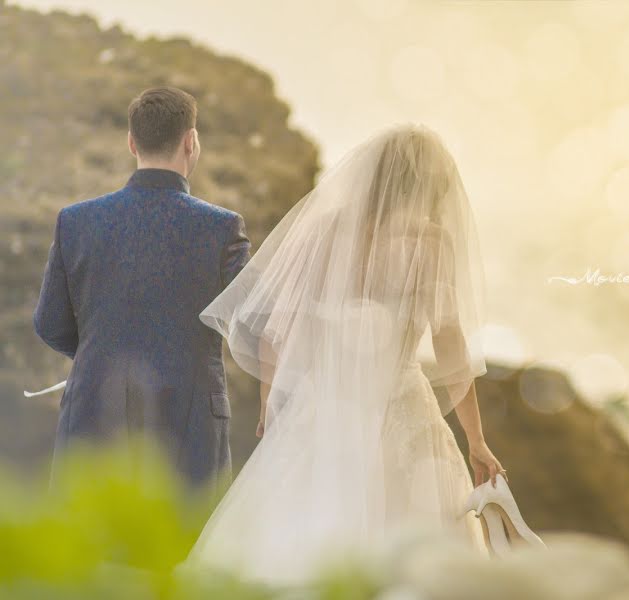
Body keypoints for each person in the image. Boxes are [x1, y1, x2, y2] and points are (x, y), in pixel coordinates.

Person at [186, 123, 503, 584]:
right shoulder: (432, 242)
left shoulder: (329, 229)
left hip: (323, 405)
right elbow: (449, 338)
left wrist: (270, 401)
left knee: (298, 523)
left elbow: (280, 327)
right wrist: (475, 438)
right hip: (402, 401)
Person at [32, 86, 251, 495]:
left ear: (131, 142)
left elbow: (49, 324)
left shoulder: (75, 222)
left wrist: (104, 354)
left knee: (87, 546)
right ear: (191, 142)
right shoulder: (223, 228)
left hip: (93, 414)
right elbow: (251, 324)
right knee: (182, 550)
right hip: (192, 425)